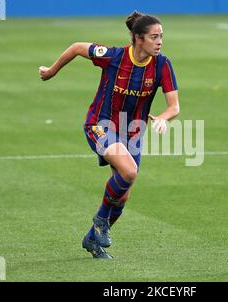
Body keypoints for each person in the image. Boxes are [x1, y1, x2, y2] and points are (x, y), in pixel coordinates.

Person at [38, 11, 180, 259]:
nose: (159, 42)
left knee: (123, 196)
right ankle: (101, 220)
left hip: (132, 133)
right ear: (138, 38)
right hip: (100, 125)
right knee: (129, 172)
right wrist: (52, 71)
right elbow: (77, 47)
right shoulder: (113, 56)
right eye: (154, 37)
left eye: (161, 37)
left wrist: (163, 118)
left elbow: (174, 106)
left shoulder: (162, 65)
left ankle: (92, 239)